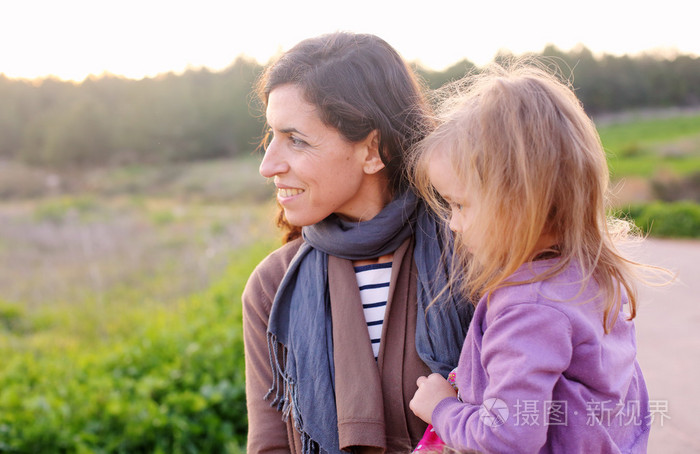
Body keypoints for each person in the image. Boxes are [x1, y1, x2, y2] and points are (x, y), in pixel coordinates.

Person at [408, 62, 670, 453]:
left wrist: (442, 408)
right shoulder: (590, 275)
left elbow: (506, 437)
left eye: (459, 204)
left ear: (519, 203)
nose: (453, 225)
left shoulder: (530, 307)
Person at [242, 32, 473, 454]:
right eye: (270, 135)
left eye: (295, 139)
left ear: (372, 149)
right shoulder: (273, 287)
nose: (268, 164)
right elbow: (270, 444)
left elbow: (533, 412)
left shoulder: (473, 254)